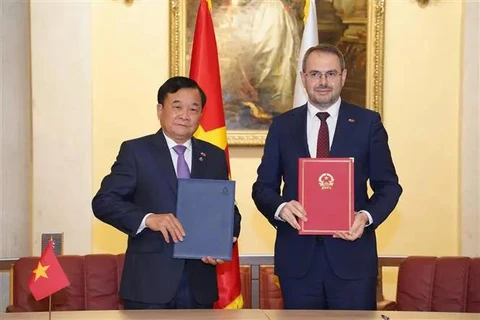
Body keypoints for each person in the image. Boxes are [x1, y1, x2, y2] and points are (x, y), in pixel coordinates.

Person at [252, 44, 402, 310]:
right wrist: (281, 207)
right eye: (315, 74)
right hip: (297, 263)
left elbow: (388, 186)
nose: (322, 82)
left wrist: (365, 218)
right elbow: (263, 188)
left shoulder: (368, 124)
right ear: (303, 78)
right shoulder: (283, 126)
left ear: (343, 77)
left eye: (330, 74)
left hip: (352, 261)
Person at [92, 76, 241, 310]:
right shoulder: (136, 151)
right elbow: (104, 201)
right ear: (160, 109)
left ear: (201, 115)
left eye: (194, 109)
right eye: (177, 106)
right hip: (149, 285)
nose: (185, 115)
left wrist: (225, 240)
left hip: (199, 285)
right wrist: (148, 218)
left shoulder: (213, 155)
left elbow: (227, 209)